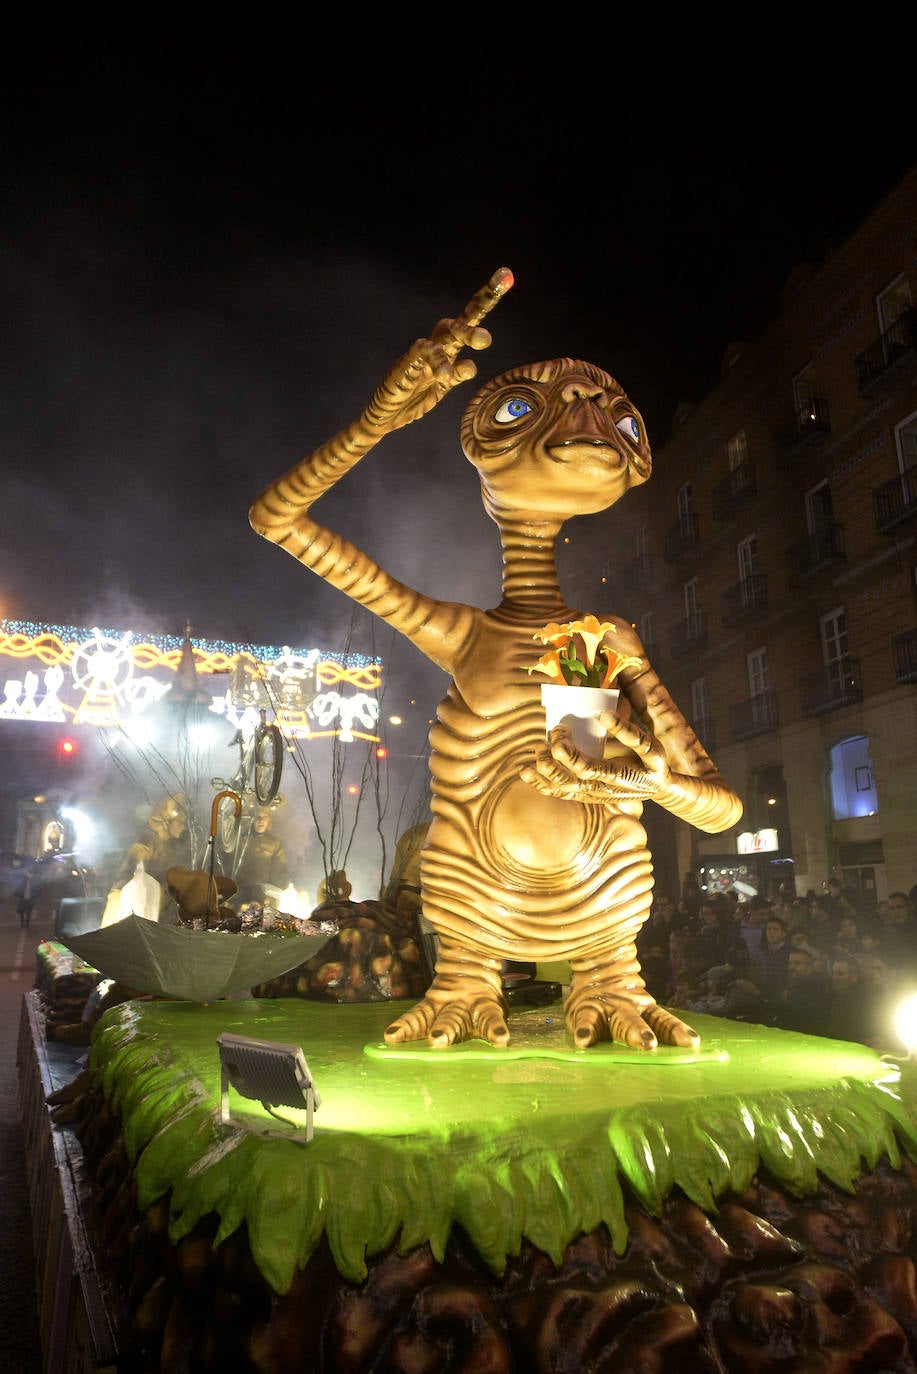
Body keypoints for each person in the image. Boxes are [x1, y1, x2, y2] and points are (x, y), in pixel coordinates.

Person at [233, 807, 289, 906]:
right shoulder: (241, 840)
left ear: (269, 821)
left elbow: (280, 867)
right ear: (252, 820)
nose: (261, 820)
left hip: (265, 889)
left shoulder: (274, 843)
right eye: (257, 817)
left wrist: (281, 886)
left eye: (265, 817)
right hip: (243, 888)